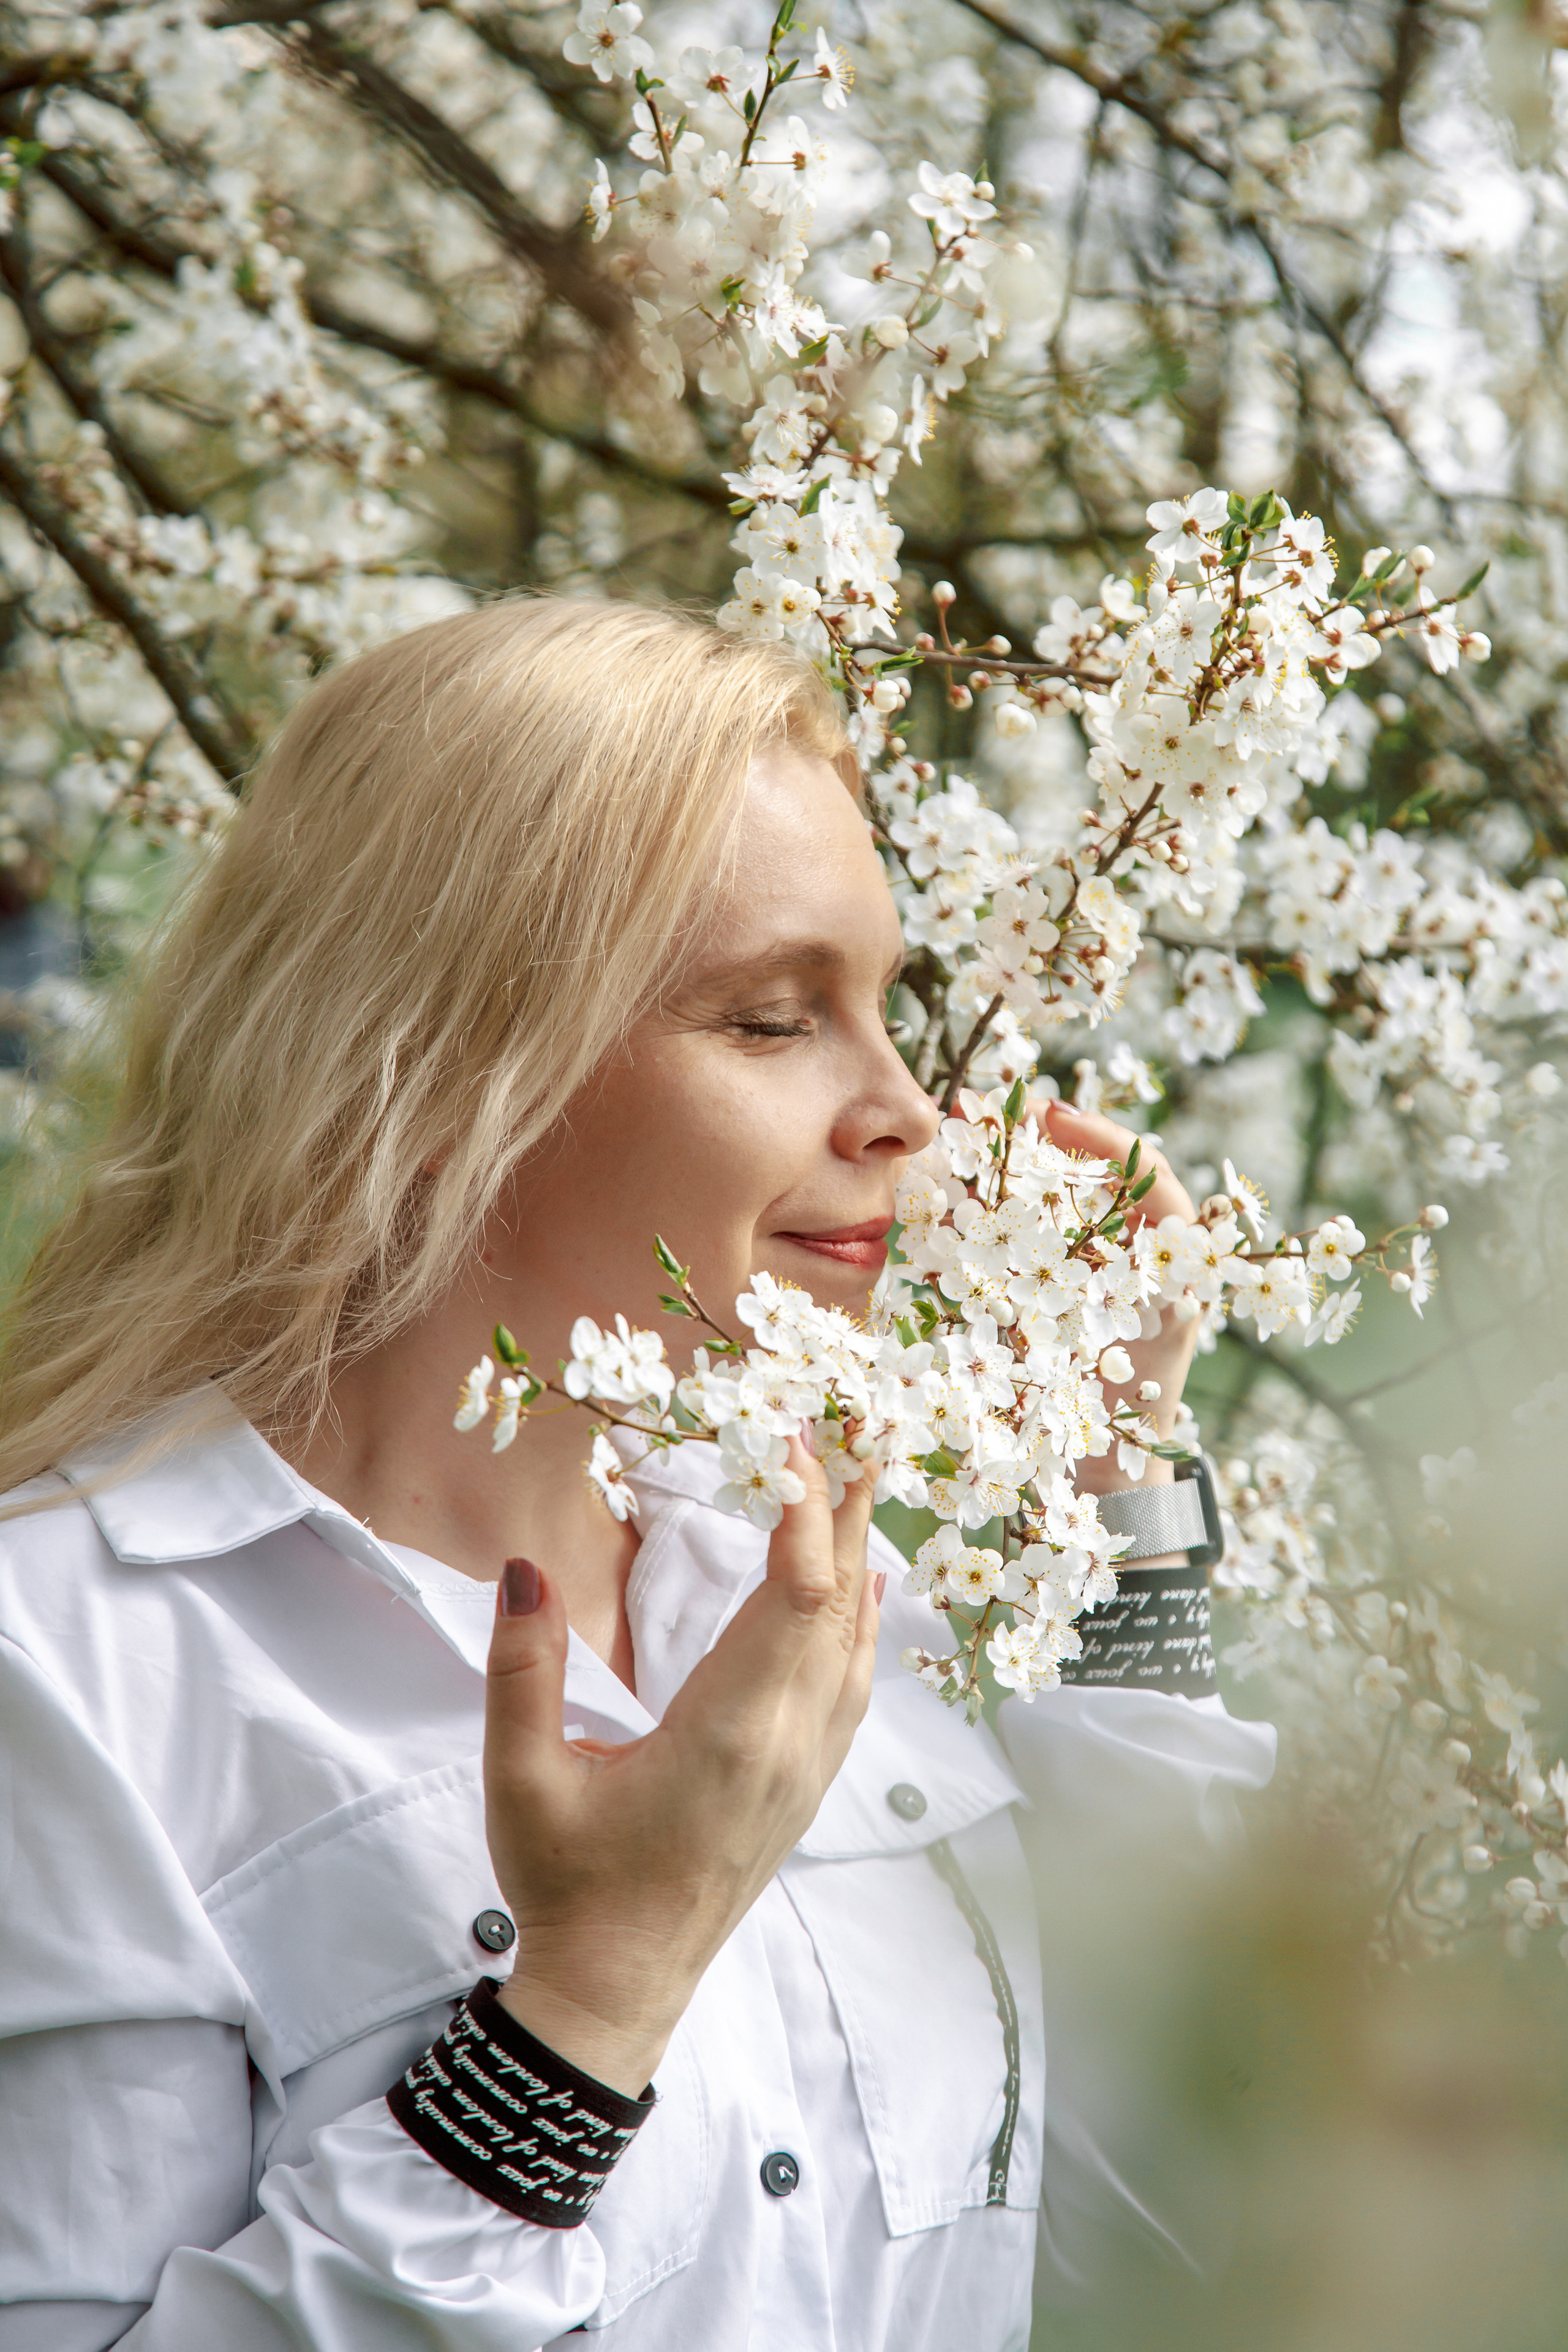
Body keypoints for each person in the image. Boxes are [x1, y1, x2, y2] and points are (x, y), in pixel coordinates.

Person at [0, 598, 1273, 2350]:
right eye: (771, 1020)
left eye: (884, 1007)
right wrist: (583, 2011)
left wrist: (1122, 1496)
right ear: (439, 1071)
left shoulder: (813, 1596)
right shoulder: (67, 1669)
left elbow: (1182, 2235)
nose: (906, 1108)